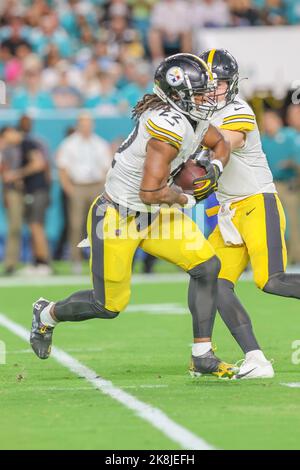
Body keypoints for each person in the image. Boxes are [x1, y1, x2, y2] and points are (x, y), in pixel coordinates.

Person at [30, 53, 235, 379]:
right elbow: (150, 192)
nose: (205, 98)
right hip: (119, 216)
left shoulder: (190, 117)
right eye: (197, 93)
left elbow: (220, 142)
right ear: (177, 95)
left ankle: (202, 355)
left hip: (155, 215)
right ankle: (47, 314)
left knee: (207, 266)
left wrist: (216, 167)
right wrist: (186, 197)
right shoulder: (165, 130)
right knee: (108, 306)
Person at [199, 48, 300, 379]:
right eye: (208, 83)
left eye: (220, 83)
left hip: (257, 202)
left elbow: (229, 140)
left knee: (271, 280)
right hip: (230, 211)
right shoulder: (197, 116)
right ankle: (255, 358)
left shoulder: (236, 108)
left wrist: (185, 139)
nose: (215, 89)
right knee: (212, 283)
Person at [56, 113, 112, 273]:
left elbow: (106, 167)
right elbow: (62, 167)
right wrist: (68, 188)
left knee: (99, 224)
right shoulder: (69, 144)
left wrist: (103, 187)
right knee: (76, 224)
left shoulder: (100, 143)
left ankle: (100, 259)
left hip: (96, 186)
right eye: (83, 124)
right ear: (79, 125)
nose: (86, 127)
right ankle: (76, 259)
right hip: (78, 186)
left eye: (89, 124)